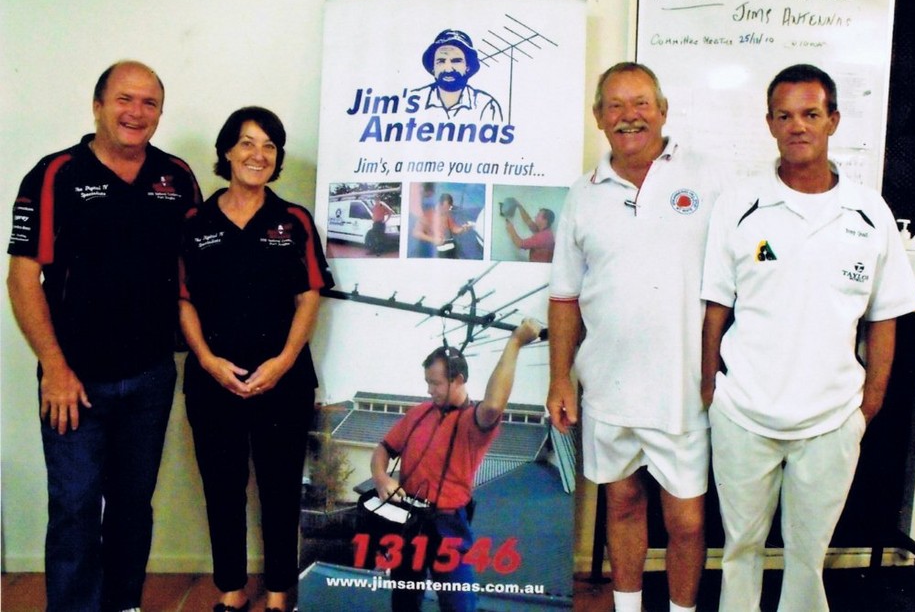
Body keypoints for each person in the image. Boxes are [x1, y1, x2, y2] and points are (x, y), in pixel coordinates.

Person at [700, 64, 915, 612]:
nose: (797, 126)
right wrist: (711, 390)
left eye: (811, 114)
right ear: (770, 124)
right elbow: (715, 307)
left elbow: (885, 316)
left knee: (807, 553)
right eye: (784, 115)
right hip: (744, 413)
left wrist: (867, 404)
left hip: (830, 419)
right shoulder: (739, 205)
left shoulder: (869, 212)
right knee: (740, 547)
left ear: (834, 121)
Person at [6, 60, 202, 612]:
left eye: (149, 103)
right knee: (73, 506)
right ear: (97, 105)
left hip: (150, 374)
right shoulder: (55, 174)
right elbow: (23, 277)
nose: (135, 112)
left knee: (133, 505)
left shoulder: (177, 176)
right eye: (124, 99)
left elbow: (195, 268)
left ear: (159, 113)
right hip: (75, 379)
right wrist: (55, 368)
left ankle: (123, 604)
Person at [548, 62, 721, 612]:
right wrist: (560, 379)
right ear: (599, 118)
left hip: (685, 385)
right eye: (615, 106)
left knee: (687, 520)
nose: (629, 116)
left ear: (663, 110)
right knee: (621, 503)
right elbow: (564, 297)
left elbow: (751, 263)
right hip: (608, 383)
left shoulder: (710, 179)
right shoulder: (583, 193)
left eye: (641, 103)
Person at [179, 106, 333, 612]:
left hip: (282, 381)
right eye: (247, 143)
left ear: (277, 158)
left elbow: (310, 294)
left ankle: (277, 594)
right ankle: (231, 589)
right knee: (222, 488)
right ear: (227, 151)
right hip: (212, 380)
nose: (257, 154)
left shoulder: (293, 222)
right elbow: (181, 299)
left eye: (268, 146)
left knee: (280, 490)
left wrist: (285, 360)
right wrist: (206, 360)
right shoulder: (193, 221)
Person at [370, 318, 543, 611]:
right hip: (409, 521)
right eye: (427, 382)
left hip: (448, 525)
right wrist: (381, 478)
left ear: (459, 379)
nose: (429, 390)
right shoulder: (420, 413)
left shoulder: (473, 421)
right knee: (403, 601)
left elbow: (493, 405)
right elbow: (383, 450)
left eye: (435, 383)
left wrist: (515, 342)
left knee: (458, 604)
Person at [413, 29, 503, 122]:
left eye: (456, 61)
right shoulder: (414, 100)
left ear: (467, 67)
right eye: (441, 61)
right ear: (433, 67)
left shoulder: (486, 105)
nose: (448, 69)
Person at [411, 192, 475, 259]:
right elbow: (416, 233)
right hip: (432, 250)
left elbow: (454, 229)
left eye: (449, 208)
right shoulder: (427, 215)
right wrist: (433, 239)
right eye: (446, 208)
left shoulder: (446, 215)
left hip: (446, 248)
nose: (447, 210)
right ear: (439, 204)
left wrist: (463, 228)